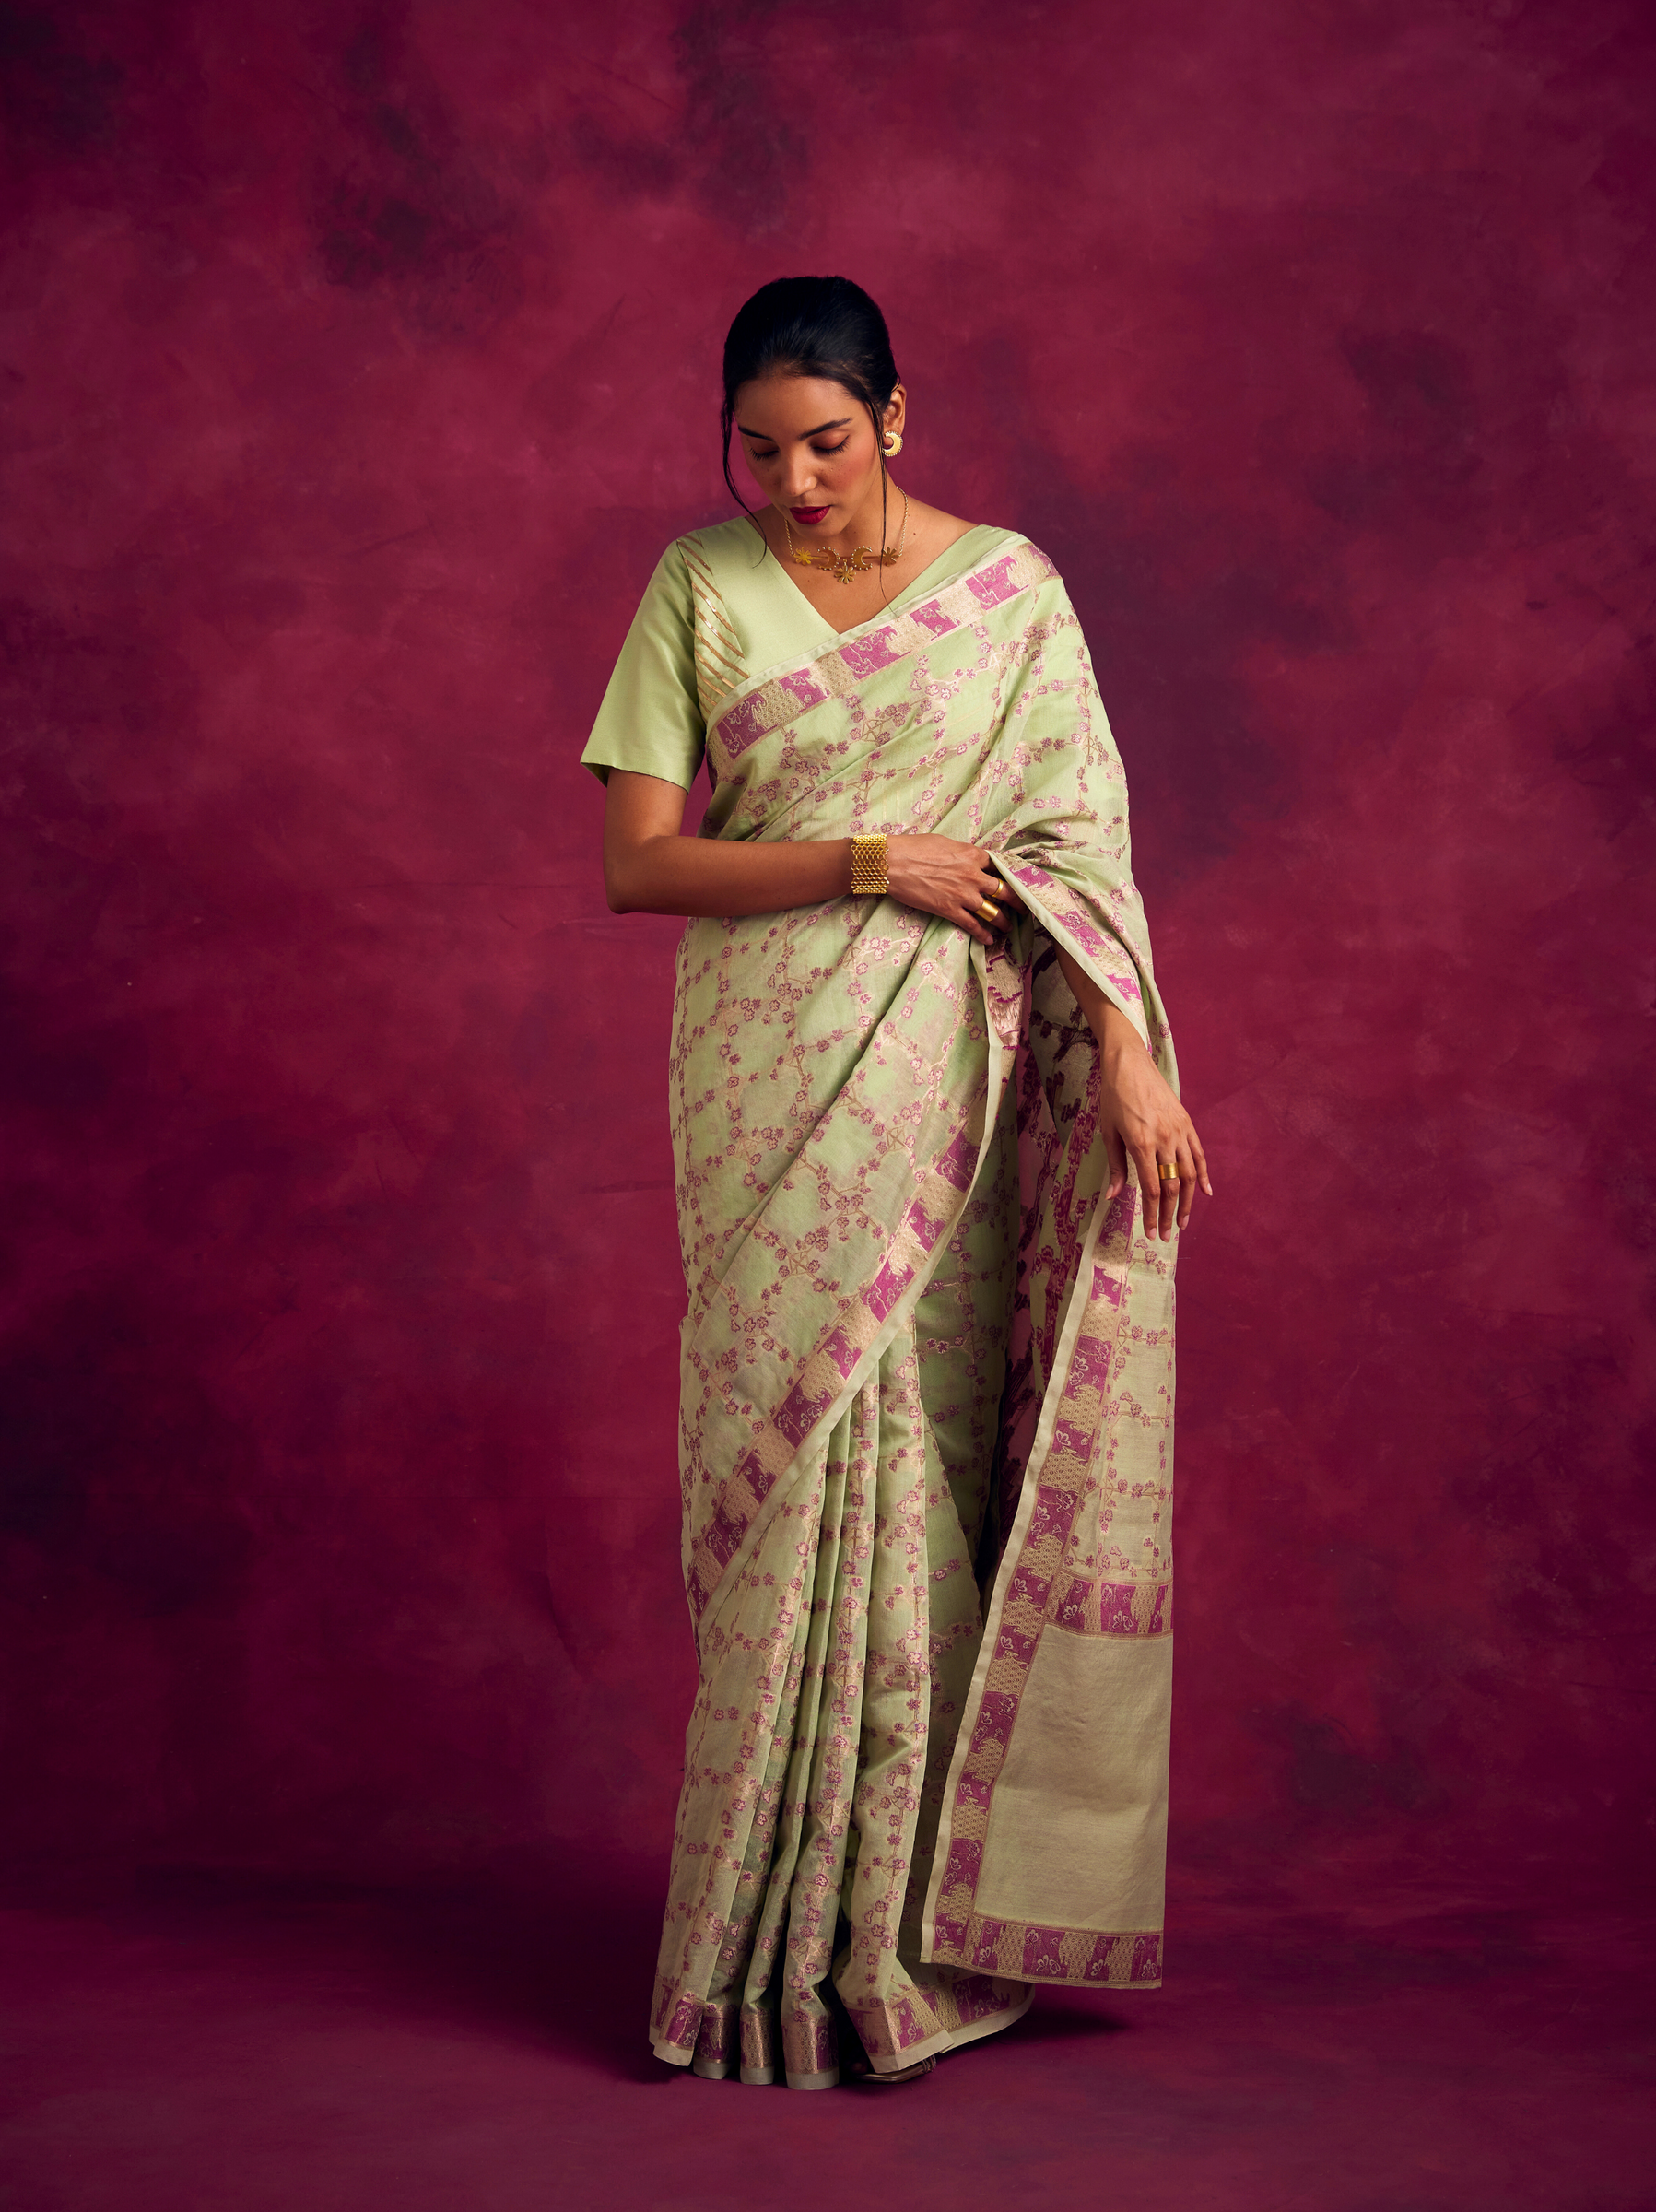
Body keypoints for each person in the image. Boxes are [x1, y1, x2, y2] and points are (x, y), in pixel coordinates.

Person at [582, 275, 1209, 2089]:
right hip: (772, 1078)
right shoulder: (695, 589)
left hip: (959, 1075)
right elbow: (640, 868)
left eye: (829, 445)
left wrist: (1139, 1055)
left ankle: (906, 1933)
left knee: (928, 1460)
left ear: (899, 421)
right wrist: (865, 856)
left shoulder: (1011, 595)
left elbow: (1081, 844)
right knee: (793, 1481)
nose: (793, 482)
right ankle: (763, 1945)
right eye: (758, 448)